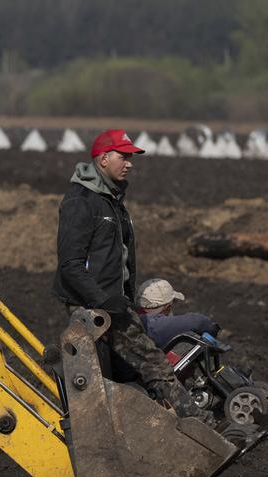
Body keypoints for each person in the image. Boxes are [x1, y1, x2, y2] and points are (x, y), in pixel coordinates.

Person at [52, 129, 207, 420]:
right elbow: (70, 264)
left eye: (130, 157)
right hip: (95, 307)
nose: (130, 163)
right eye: (124, 156)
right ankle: (200, 423)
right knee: (151, 360)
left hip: (111, 302)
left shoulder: (111, 201)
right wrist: (102, 300)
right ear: (102, 159)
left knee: (111, 375)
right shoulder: (81, 202)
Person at [136, 278, 221, 348]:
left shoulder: (133, 317)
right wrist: (213, 329)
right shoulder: (153, 325)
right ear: (167, 307)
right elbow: (198, 322)